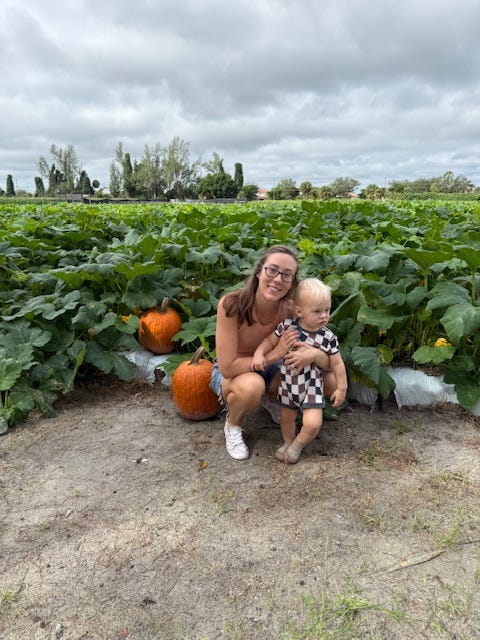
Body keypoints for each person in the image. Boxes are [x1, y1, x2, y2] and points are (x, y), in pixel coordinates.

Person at [211, 245, 333, 460]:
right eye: (272, 270)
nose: (278, 279)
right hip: (232, 375)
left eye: (287, 275)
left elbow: (329, 358)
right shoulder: (231, 305)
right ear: (259, 272)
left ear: (292, 283)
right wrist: (275, 354)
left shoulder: (290, 310)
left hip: (272, 369)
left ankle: (272, 398)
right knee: (252, 386)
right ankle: (233, 424)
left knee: (329, 380)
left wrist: (314, 356)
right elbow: (228, 367)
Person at [252, 277, 347, 464]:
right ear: (299, 312)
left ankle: (298, 444)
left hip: (312, 386)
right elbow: (269, 341)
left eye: (327, 310)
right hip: (288, 385)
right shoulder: (288, 327)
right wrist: (259, 354)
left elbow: (337, 364)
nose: (324, 316)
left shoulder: (327, 337)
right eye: (317, 311)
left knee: (313, 423)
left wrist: (341, 388)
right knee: (286, 419)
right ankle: (287, 441)